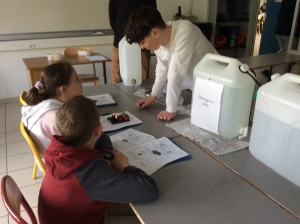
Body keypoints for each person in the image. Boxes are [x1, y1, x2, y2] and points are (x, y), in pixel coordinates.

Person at [38, 96, 159, 224]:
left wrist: (107, 156)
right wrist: (124, 166)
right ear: (98, 129)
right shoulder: (89, 173)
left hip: (66, 215)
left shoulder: (57, 149)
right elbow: (150, 190)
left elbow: (102, 139)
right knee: (154, 214)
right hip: (85, 219)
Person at [124, 5, 218, 121]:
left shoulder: (185, 32)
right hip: (196, 86)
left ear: (155, 33)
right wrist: (154, 96)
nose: (142, 47)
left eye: (142, 42)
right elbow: (162, 68)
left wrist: (171, 109)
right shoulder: (159, 39)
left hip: (216, 85)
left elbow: (175, 73)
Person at [21, 62, 113, 157]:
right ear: (63, 89)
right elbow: (82, 146)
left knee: (102, 139)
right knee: (101, 139)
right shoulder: (59, 116)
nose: (81, 80)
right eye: (76, 78)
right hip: (61, 160)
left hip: (54, 153)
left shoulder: (46, 102)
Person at [109, 0, 157, 84]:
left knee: (142, 80)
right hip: (119, 45)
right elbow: (113, 21)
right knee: (116, 78)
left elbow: (152, 20)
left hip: (142, 46)